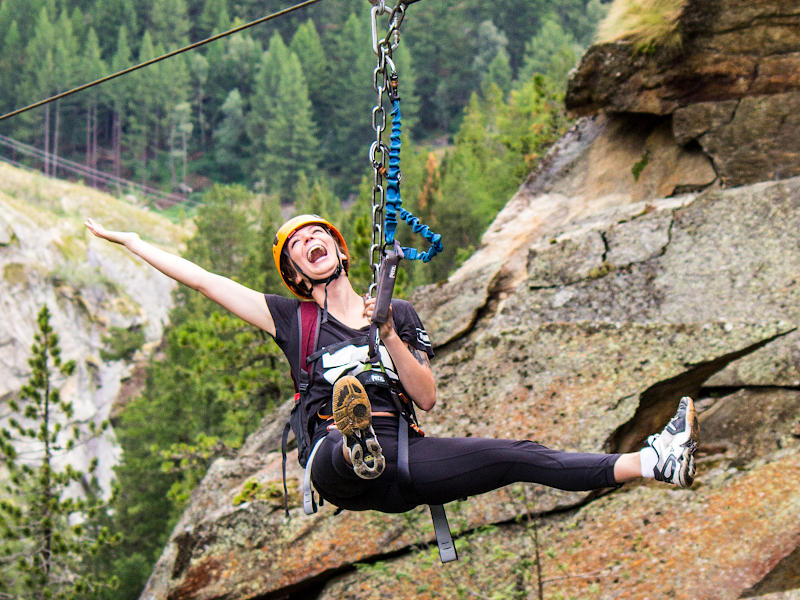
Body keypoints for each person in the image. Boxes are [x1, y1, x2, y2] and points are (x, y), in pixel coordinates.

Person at [84, 214, 699, 514]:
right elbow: (209, 282)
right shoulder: (291, 318)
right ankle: (354, 445)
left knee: (523, 455)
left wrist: (385, 333)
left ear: (339, 251)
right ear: (296, 275)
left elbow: (427, 396)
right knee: (338, 442)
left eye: (316, 235)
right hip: (334, 457)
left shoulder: (396, 311)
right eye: (297, 245)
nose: (309, 242)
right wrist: (135, 245)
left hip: (401, 452)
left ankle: (654, 462)